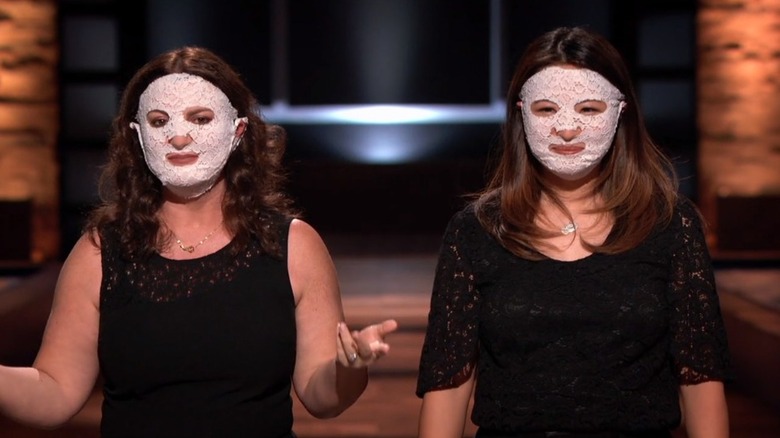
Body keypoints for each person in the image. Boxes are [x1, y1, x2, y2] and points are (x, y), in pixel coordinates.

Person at [0, 46, 397, 437]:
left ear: (237, 130)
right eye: (159, 121)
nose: (178, 136)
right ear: (138, 137)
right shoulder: (101, 252)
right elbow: (54, 393)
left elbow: (322, 396)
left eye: (200, 117)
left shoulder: (293, 246)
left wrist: (350, 366)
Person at [416, 27, 730, 438]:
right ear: (521, 112)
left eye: (587, 109)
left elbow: (700, 377)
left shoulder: (671, 223)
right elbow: (449, 384)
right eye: (547, 109)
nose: (567, 129)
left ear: (620, 112)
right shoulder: (476, 230)